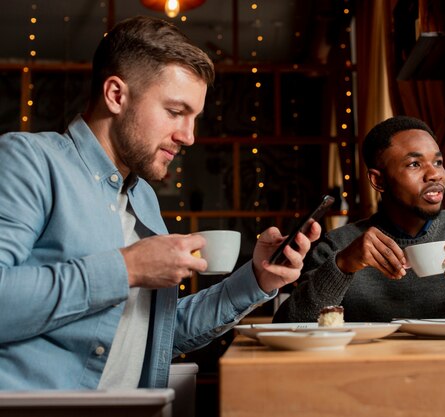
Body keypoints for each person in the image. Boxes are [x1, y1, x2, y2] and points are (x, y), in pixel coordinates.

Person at [0, 16, 320, 389]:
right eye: (175, 112)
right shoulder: (29, 160)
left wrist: (256, 279)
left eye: (194, 118)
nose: (189, 136)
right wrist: (125, 269)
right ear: (116, 95)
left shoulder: (142, 197)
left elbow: (154, 335)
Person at [273, 116, 445, 323]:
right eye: (414, 164)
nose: (434, 174)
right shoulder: (340, 245)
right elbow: (286, 323)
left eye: (437, 162)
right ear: (378, 180)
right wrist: (342, 266)